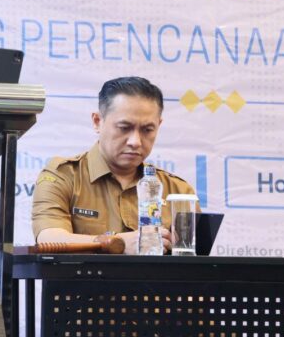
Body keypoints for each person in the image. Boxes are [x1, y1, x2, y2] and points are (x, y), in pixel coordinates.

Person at [31, 76, 198, 254]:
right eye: (124, 127)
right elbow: (49, 239)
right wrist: (117, 243)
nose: (135, 141)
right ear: (97, 122)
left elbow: (197, 259)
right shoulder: (63, 176)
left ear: (159, 125)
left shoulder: (177, 191)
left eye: (147, 130)